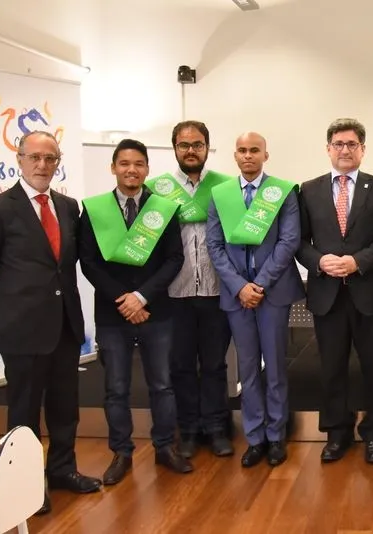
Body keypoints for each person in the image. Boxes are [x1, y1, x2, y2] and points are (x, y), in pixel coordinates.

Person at [0, 131, 101, 515]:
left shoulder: (69, 206)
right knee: (23, 411)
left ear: (58, 163)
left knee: (65, 407)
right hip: (22, 330)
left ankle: (62, 470)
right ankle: (24, 485)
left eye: (51, 158)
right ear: (20, 159)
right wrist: (9, 308)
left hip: (65, 327)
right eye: (35, 158)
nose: (43, 165)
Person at [78, 139, 191, 485]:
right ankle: (121, 452)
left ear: (147, 169)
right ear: (113, 168)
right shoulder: (95, 210)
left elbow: (175, 258)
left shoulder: (163, 209)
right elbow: (89, 262)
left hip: (157, 310)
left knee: (162, 385)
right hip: (113, 315)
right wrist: (124, 300)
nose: (132, 170)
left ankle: (163, 447)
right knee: (115, 387)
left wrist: (141, 297)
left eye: (139, 164)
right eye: (124, 163)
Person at [295, 118, 373, 464]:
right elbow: (298, 241)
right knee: (332, 368)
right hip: (328, 294)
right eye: (338, 144)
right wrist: (319, 260)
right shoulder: (307, 190)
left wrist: (357, 262)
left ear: (363, 150)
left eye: (352, 144)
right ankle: (337, 433)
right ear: (328, 149)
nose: (345, 150)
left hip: (369, 293)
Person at [206, 132, 304, 468]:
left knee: (275, 367)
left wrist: (258, 284)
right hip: (238, 297)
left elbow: (289, 241)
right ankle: (255, 437)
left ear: (266, 154)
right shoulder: (221, 195)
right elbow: (214, 246)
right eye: (243, 151)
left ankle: (276, 436)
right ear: (235, 156)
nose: (248, 156)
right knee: (247, 370)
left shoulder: (284, 192)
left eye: (255, 151)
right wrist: (239, 287)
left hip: (272, 293)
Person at [145, 121, 235, 458]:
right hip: (174, 294)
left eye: (198, 144)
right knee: (180, 366)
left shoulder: (225, 187)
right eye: (184, 145)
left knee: (214, 365)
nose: (191, 151)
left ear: (207, 148)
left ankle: (215, 428)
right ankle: (188, 428)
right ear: (174, 149)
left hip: (216, 291)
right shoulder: (156, 189)